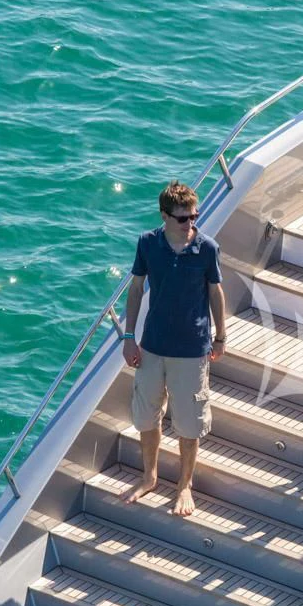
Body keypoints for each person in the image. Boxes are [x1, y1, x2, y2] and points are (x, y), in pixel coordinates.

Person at [121, 181, 226, 516]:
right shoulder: (148, 244)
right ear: (165, 216)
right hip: (152, 346)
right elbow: (136, 290)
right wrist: (128, 337)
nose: (190, 223)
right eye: (183, 218)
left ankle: (184, 486)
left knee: (189, 423)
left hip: (192, 350)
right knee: (147, 416)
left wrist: (220, 336)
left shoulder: (208, 248)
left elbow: (216, 293)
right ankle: (149, 477)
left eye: (194, 216)